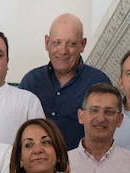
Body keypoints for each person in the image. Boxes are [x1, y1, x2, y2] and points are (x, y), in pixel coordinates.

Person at [18, 14, 111, 153]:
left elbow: (109, 129)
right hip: (36, 167)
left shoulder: (98, 82)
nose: (63, 51)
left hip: (83, 169)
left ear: (83, 44)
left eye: (71, 44)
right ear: (47, 42)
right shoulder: (30, 81)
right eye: (57, 42)